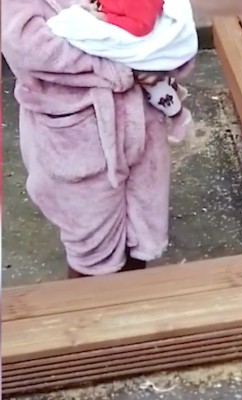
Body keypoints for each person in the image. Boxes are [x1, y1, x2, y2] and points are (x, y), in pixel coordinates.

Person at [1, 0, 181, 278]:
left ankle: (134, 311)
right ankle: (88, 317)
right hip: (78, 133)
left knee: (140, 237)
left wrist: (164, 60)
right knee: (93, 253)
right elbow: (27, 48)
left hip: (142, 126)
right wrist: (122, 65)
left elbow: (170, 19)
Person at [46, 0, 197, 144]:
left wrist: (105, 18)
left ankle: (178, 116)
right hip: (124, 23)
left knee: (148, 80)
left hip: (142, 38)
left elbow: (141, 26)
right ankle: (171, 87)